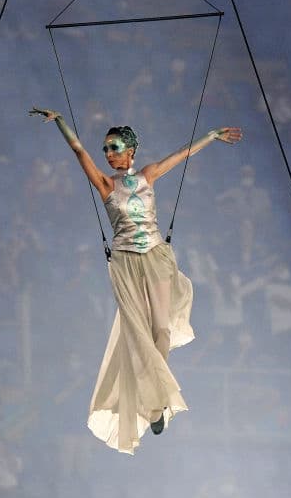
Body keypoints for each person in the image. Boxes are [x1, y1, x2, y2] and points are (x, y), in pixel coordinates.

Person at [30, 106, 242, 453]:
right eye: (106, 149)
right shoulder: (104, 184)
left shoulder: (148, 175)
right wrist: (61, 124)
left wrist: (211, 136)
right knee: (137, 335)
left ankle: (155, 402)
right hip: (126, 263)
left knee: (161, 331)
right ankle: (154, 401)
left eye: (114, 147)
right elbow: (78, 151)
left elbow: (181, 155)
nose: (108, 154)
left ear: (130, 150)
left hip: (157, 258)